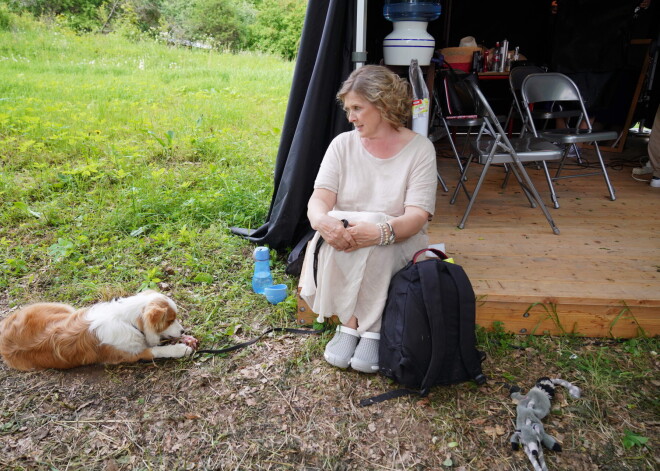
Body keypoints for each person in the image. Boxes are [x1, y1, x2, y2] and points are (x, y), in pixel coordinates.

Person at [299, 65, 438, 373]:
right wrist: (324, 222)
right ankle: (349, 326)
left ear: (383, 104)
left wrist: (380, 231)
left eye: (357, 108)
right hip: (348, 237)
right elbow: (319, 200)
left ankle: (372, 331)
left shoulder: (420, 149)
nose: (351, 117)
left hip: (397, 238)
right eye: (348, 109)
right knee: (335, 226)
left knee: (379, 237)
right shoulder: (342, 145)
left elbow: (416, 216)